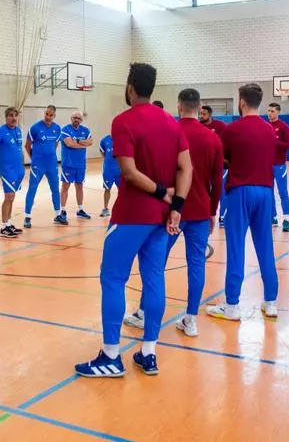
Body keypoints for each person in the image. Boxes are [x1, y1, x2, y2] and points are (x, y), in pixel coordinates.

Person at [74, 63, 192, 377]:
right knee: (154, 278)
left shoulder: (123, 121)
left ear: (129, 88)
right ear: (151, 88)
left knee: (112, 278)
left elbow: (128, 171)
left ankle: (111, 356)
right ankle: (148, 352)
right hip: (162, 218)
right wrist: (175, 204)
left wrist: (158, 192)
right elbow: (186, 169)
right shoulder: (171, 123)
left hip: (131, 215)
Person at [123, 88, 223, 337]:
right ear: (199, 108)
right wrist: (212, 211)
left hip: (171, 210)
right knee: (196, 264)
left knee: (155, 264)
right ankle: (190, 319)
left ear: (179, 106)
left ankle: (145, 313)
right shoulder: (212, 138)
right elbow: (217, 181)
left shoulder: (169, 132)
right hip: (200, 212)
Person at [205, 83, 280, 320]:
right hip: (266, 191)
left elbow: (222, 160)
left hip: (241, 191)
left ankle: (232, 305)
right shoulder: (270, 130)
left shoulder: (232, 129)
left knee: (236, 247)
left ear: (241, 102)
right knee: (265, 246)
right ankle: (271, 301)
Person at [24, 105, 65, 228]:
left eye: (50, 115)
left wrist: (49, 155)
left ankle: (58, 215)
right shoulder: (35, 128)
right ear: (44, 113)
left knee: (55, 190)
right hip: (38, 165)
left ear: (54, 116)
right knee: (32, 189)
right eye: (46, 114)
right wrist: (35, 159)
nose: (48, 117)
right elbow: (27, 145)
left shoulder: (57, 129)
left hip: (52, 164)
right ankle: (27, 216)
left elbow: (55, 144)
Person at [0, 107, 25, 238]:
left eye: (15, 115)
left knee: (12, 197)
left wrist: (22, 167)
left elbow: (20, 150)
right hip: (7, 170)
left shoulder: (18, 131)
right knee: (8, 197)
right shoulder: (1, 131)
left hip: (18, 170)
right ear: (6, 117)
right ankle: (4, 227)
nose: (14, 118)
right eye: (10, 115)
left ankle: (9, 224)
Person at [60, 110, 93, 221]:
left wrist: (77, 140)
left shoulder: (85, 130)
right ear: (71, 118)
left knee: (79, 186)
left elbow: (90, 142)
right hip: (68, 164)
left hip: (81, 164)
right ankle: (62, 210)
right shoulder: (65, 129)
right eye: (74, 117)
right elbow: (69, 143)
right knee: (65, 187)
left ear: (81, 120)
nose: (76, 120)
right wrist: (82, 144)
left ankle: (80, 209)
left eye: (78, 118)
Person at [199, 105, 227, 226]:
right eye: (200, 114)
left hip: (220, 165)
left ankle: (222, 217)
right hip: (204, 166)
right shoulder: (198, 126)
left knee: (221, 192)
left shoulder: (220, 126)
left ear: (210, 115)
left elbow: (227, 142)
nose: (201, 116)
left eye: (204, 114)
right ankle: (204, 215)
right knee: (203, 191)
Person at [266, 102, 289, 231]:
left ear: (278, 112)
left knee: (283, 192)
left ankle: (286, 219)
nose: (270, 113)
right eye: (269, 111)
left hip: (280, 165)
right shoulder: (265, 126)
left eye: (272, 111)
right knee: (269, 192)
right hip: (267, 165)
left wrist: (275, 142)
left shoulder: (284, 127)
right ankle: (273, 217)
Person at [98, 133, 120, 218]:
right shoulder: (104, 140)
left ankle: (121, 208)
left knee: (121, 190)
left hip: (120, 170)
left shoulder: (122, 139)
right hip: (108, 170)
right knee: (107, 189)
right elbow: (102, 151)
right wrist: (108, 160)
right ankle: (105, 208)